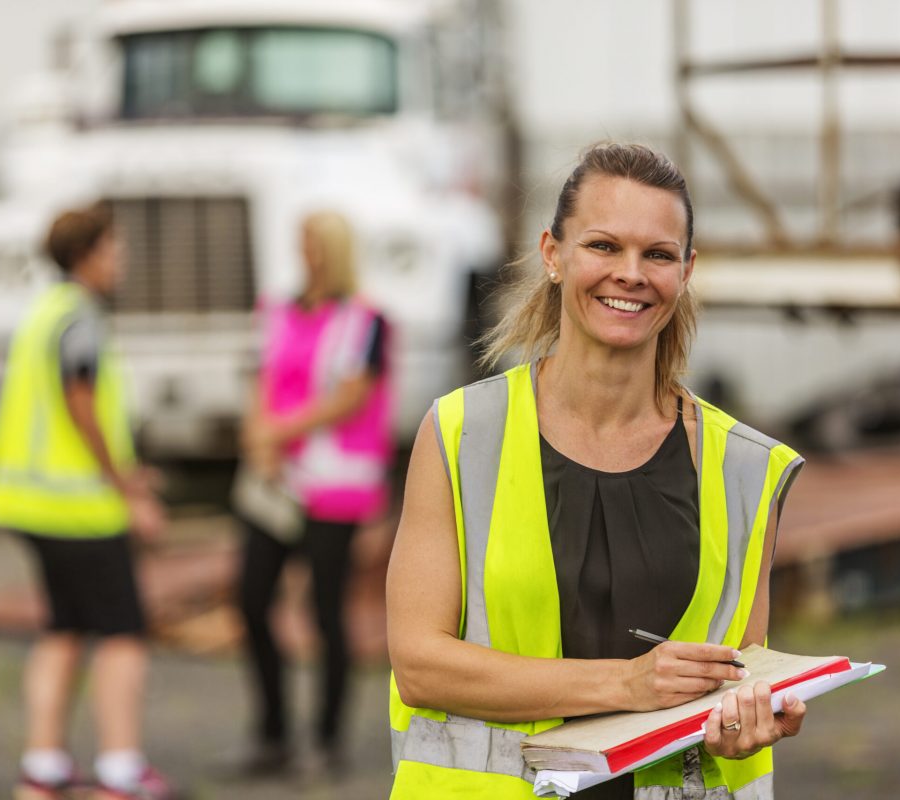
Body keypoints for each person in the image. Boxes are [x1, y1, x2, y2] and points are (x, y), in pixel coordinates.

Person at [386, 143, 808, 799]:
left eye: (658, 254)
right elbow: (419, 664)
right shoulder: (460, 434)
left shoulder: (747, 469)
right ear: (554, 254)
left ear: (687, 270)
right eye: (604, 246)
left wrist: (744, 722)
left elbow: (734, 678)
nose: (631, 274)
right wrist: (626, 684)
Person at [0, 204, 174, 800]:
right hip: (78, 511)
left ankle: (44, 766)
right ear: (88, 253)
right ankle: (120, 769)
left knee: (64, 627)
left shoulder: (43, 312)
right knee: (122, 633)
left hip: (28, 503)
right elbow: (80, 399)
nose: (123, 259)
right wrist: (128, 486)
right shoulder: (82, 318)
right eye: (115, 248)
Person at [233, 210, 392, 775]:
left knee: (327, 612)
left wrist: (280, 430)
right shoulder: (276, 310)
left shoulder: (365, 320)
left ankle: (327, 741)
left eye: (314, 243)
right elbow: (260, 377)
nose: (306, 254)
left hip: (334, 488)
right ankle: (273, 733)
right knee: (252, 599)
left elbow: (351, 395)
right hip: (275, 483)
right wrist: (259, 440)